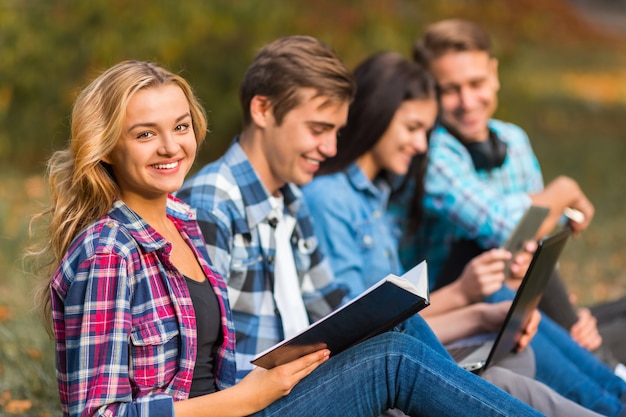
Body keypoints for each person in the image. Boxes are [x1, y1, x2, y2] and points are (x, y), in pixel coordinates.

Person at [32, 59, 550, 417]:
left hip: (251, 401)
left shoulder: (183, 222)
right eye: (144, 134)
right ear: (106, 148)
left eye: (182, 126)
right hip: (239, 409)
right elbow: (94, 411)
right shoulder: (107, 251)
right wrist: (250, 397)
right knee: (394, 360)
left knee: (402, 333)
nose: (171, 146)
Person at [301, 50, 618, 417]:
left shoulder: (380, 197)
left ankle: (614, 394)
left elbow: (395, 323)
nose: (422, 145)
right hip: (378, 371)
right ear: (378, 116)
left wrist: (481, 315)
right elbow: (361, 334)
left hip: (405, 350)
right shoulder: (330, 199)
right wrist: (466, 298)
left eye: (425, 130)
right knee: (507, 367)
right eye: (412, 128)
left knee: (513, 341)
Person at [396, 18, 625, 368]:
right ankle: (607, 373)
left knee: (601, 318)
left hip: (517, 297)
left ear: (495, 73)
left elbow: (541, 241)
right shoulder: (428, 153)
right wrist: (563, 191)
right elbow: (508, 230)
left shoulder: (513, 139)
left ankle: (594, 354)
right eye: (450, 89)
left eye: (476, 83)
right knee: (501, 244)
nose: (467, 101)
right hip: (454, 309)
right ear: (428, 92)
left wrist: (570, 313)